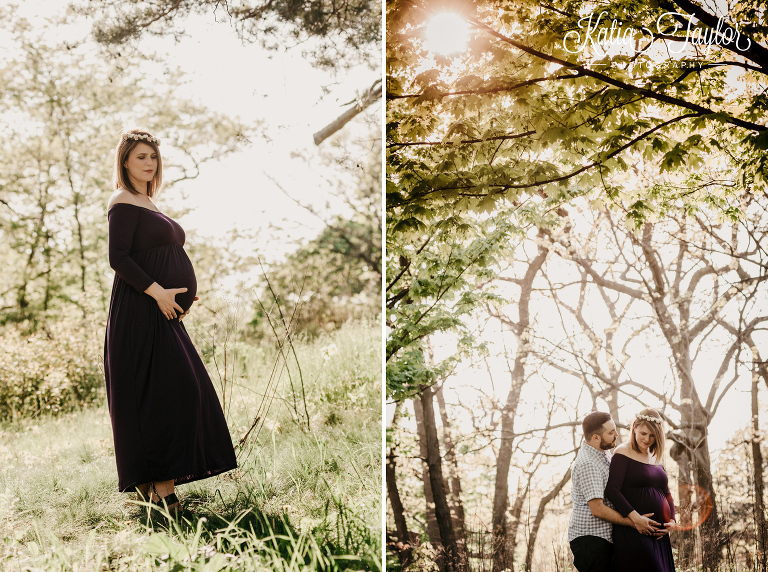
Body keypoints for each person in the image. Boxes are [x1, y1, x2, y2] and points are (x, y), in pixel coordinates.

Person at [103, 129, 237, 515]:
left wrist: (179, 293)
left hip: (163, 312)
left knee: (182, 389)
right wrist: (159, 292)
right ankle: (163, 493)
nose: (149, 163)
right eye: (141, 157)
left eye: (153, 158)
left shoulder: (148, 202)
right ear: (125, 161)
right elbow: (119, 257)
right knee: (171, 392)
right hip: (140, 311)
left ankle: (157, 488)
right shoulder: (122, 201)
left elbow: (157, 252)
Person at [568, 411, 661, 572]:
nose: (616, 434)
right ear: (596, 437)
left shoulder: (603, 454)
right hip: (591, 540)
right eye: (611, 432)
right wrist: (634, 522)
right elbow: (597, 509)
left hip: (604, 538)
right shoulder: (588, 463)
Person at [605, 408, 677, 571]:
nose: (647, 439)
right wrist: (635, 518)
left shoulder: (655, 456)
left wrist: (672, 520)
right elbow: (612, 490)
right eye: (643, 433)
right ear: (634, 427)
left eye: (652, 436)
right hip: (635, 530)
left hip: (659, 535)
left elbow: (666, 493)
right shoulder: (623, 451)